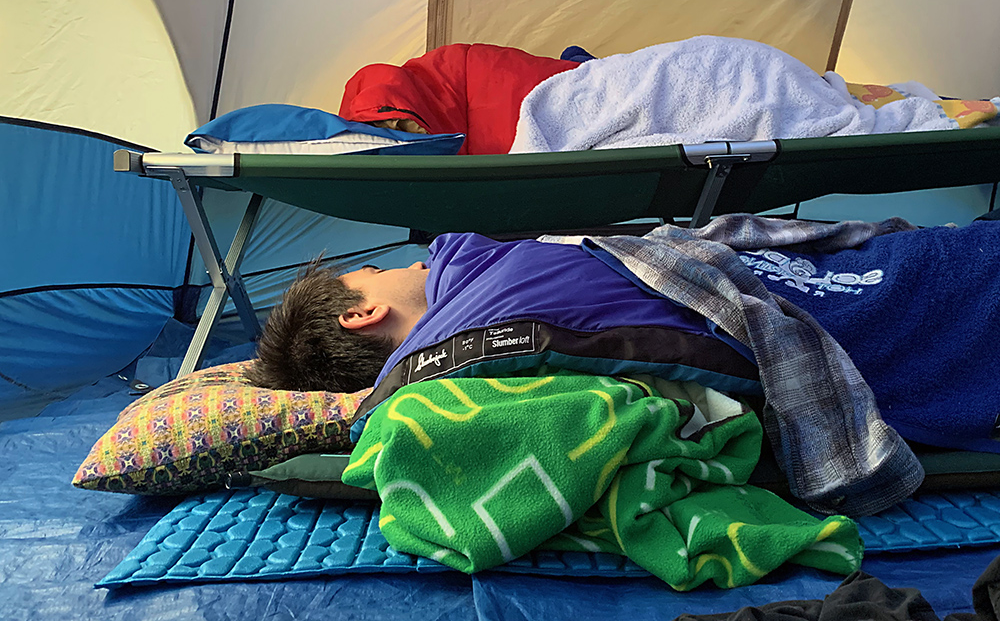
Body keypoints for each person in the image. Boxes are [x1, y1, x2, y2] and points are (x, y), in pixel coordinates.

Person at [246, 219, 1000, 457]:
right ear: (359, 315)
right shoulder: (474, 324)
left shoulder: (488, 285)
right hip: (935, 296)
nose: (412, 262)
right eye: (379, 273)